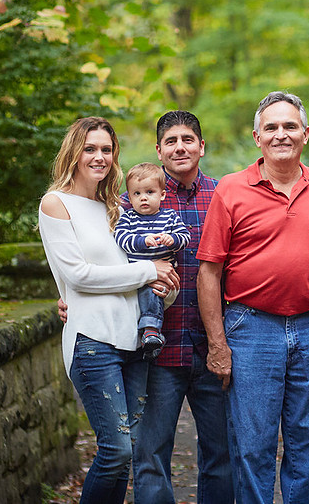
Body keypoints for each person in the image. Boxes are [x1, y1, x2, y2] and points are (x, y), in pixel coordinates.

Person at [57, 111, 235, 504]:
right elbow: (96, 257)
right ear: (158, 151)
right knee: (149, 455)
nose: (180, 147)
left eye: (188, 139)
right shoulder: (131, 198)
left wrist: (226, 342)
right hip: (156, 350)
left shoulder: (224, 196)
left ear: (202, 146)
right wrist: (69, 295)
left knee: (221, 455)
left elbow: (239, 265)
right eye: (170, 141)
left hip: (211, 347)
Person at [196, 91, 309, 504]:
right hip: (251, 327)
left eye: (289, 126)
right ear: (256, 136)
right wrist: (217, 344)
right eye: (271, 127)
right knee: (253, 443)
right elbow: (209, 272)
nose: (280, 134)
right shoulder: (231, 190)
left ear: (305, 134)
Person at [38, 116, 180, 504]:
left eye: (106, 149)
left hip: (134, 342)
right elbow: (79, 276)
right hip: (92, 341)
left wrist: (163, 285)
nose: (99, 157)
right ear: (74, 152)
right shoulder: (56, 203)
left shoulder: (117, 206)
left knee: (126, 453)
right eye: (90, 148)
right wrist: (149, 270)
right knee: (115, 449)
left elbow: (140, 274)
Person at [114, 161, 191, 360]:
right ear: (129, 197)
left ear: (162, 195)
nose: (143, 198)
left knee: (153, 292)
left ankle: (151, 331)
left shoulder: (169, 217)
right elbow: (121, 239)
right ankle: (145, 334)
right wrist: (142, 241)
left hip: (164, 276)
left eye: (149, 192)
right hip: (137, 275)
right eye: (137, 194)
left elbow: (185, 237)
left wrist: (172, 239)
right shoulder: (128, 218)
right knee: (139, 297)